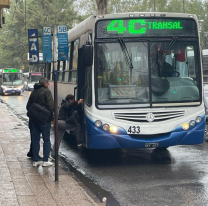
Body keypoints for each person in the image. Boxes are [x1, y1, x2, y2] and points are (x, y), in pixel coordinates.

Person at [26, 77, 54, 167]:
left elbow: (28, 106)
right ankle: (45, 160)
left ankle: (36, 160)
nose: (48, 85)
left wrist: (34, 114)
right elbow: (51, 106)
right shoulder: (46, 91)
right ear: (45, 83)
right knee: (46, 139)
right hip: (44, 120)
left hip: (34, 120)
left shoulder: (34, 92)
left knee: (35, 140)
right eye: (47, 83)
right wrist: (51, 118)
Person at [50, 94, 83, 160]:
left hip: (58, 123)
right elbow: (70, 106)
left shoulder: (64, 104)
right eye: (73, 100)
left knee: (58, 140)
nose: (73, 102)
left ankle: (53, 155)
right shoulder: (66, 104)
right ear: (70, 99)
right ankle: (79, 142)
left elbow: (73, 107)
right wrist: (78, 102)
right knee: (77, 126)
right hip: (62, 122)